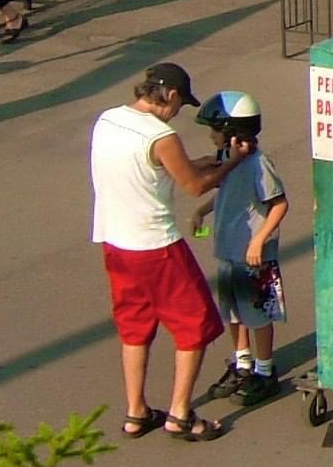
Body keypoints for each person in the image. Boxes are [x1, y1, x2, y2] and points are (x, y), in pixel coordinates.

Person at [92, 63, 253, 442]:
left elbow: (143, 170)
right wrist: (233, 161)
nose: (178, 112)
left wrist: (197, 163)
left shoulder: (108, 119)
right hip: (156, 247)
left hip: (115, 242)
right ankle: (180, 414)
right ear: (172, 96)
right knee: (195, 325)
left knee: (134, 326)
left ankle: (136, 412)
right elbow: (194, 187)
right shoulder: (160, 135)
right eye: (181, 105)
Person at [190, 91, 289, 407]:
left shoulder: (259, 164)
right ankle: (243, 363)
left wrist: (259, 239)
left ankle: (265, 371)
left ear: (233, 131)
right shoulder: (226, 158)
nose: (211, 135)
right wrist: (202, 210)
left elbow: (279, 204)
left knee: (257, 313)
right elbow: (226, 191)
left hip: (253, 256)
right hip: (228, 251)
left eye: (214, 129)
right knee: (233, 311)